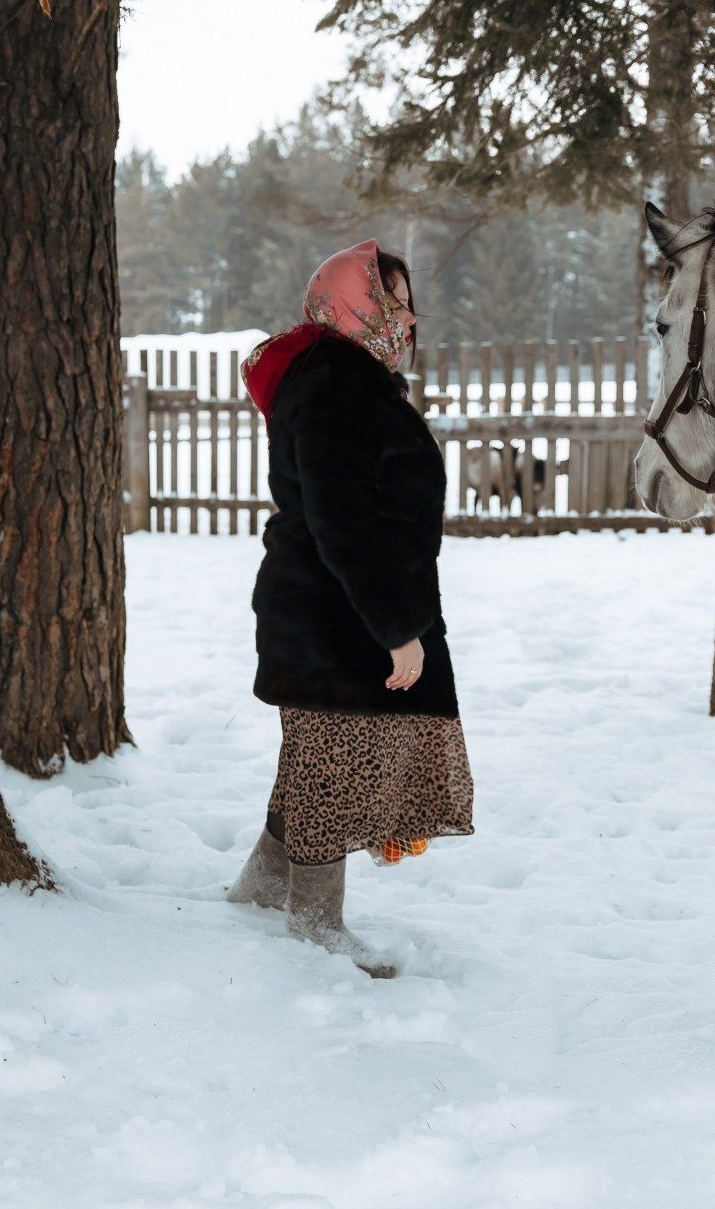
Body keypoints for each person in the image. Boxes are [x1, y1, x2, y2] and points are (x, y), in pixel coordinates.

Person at [225, 239, 474, 978]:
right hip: (334, 615)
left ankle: (262, 889)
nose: (405, 313)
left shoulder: (344, 375)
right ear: (351, 302)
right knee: (333, 767)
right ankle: (315, 923)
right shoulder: (337, 380)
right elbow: (343, 519)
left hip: (332, 608)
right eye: (388, 297)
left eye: (404, 297)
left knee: (315, 761)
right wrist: (397, 631)